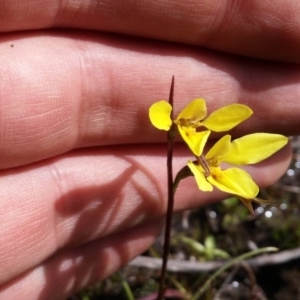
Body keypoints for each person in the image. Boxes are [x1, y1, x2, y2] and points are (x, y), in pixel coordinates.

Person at [0, 1, 297, 299]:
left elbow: (210, 154)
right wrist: (193, 146)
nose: (190, 128)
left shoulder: (201, 155)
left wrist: (208, 163)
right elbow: (164, 119)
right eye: (185, 125)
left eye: (191, 126)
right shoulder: (175, 128)